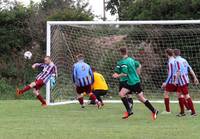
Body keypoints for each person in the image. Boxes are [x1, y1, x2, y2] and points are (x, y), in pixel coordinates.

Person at [113, 47, 158, 120]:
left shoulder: (124, 62)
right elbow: (139, 65)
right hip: (131, 82)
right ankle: (129, 111)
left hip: (134, 82)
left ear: (120, 53)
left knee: (141, 98)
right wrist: (138, 73)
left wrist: (117, 75)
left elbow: (125, 73)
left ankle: (154, 110)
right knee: (121, 94)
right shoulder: (131, 59)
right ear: (127, 52)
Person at [174, 49, 199, 116]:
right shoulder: (184, 60)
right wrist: (195, 77)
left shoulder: (176, 61)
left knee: (186, 96)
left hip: (182, 81)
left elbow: (178, 71)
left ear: (174, 54)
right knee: (179, 95)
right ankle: (182, 112)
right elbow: (190, 69)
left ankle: (193, 112)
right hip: (186, 79)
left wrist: (175, 81)